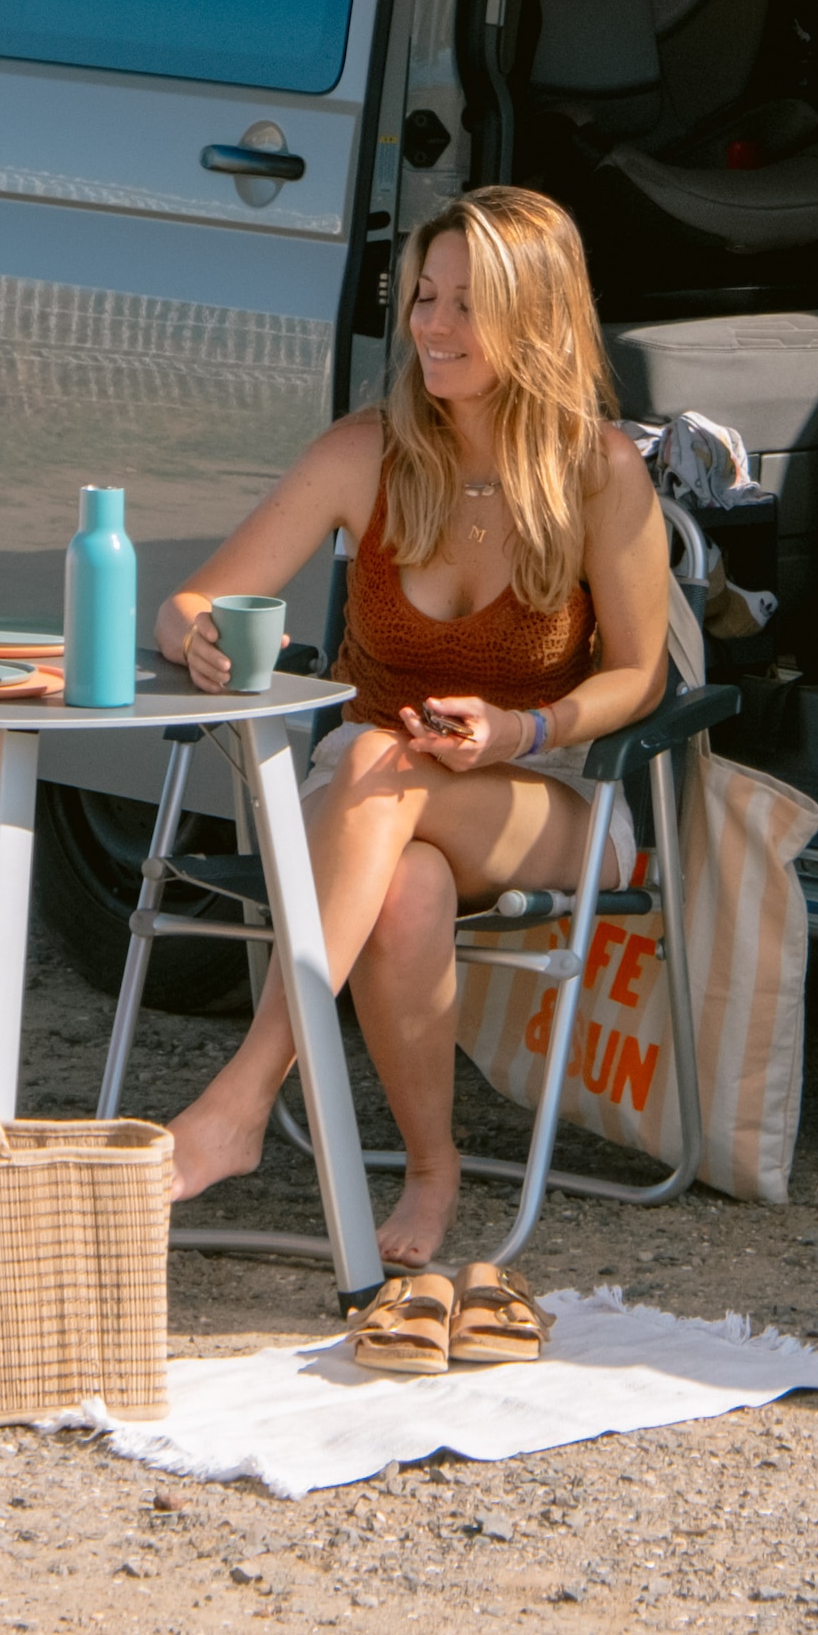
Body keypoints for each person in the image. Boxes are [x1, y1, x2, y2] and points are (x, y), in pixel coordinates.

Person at [150, 184, 674, 1278]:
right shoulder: (364, 453)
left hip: (545, 793)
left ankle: (241, 1098)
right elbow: (190, 602)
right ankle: (431, 1169)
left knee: (386, 769)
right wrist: (196, 641)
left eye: (465, 306)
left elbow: (639, 676)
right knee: (405, 884)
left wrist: (521, 730)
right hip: (372, 793)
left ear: (536, 317)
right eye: (423, 296)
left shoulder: (596, 473)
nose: (430, 326)